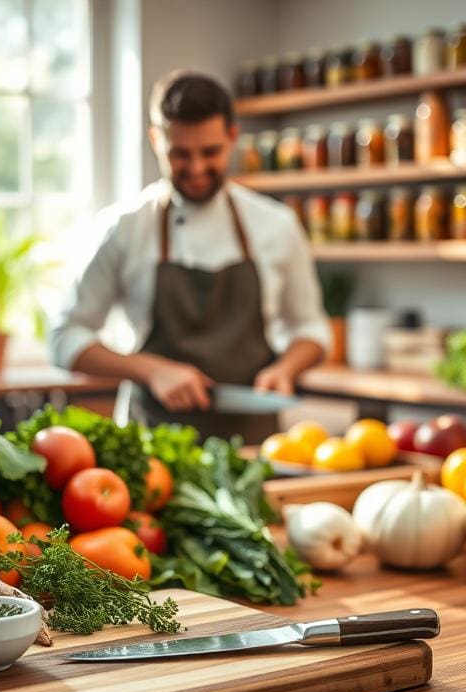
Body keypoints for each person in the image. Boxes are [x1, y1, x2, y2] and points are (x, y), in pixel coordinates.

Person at [49, 70, 330, 442]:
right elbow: (64, 337)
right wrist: (151, 370)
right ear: (155, 140)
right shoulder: (125, 227)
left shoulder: (276, 225)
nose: (196, 169)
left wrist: (286, 370)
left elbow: (311, 330)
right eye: (179, 154)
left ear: (232, 137)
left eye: (210, 152)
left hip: (253, 445)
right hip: (152, 446)